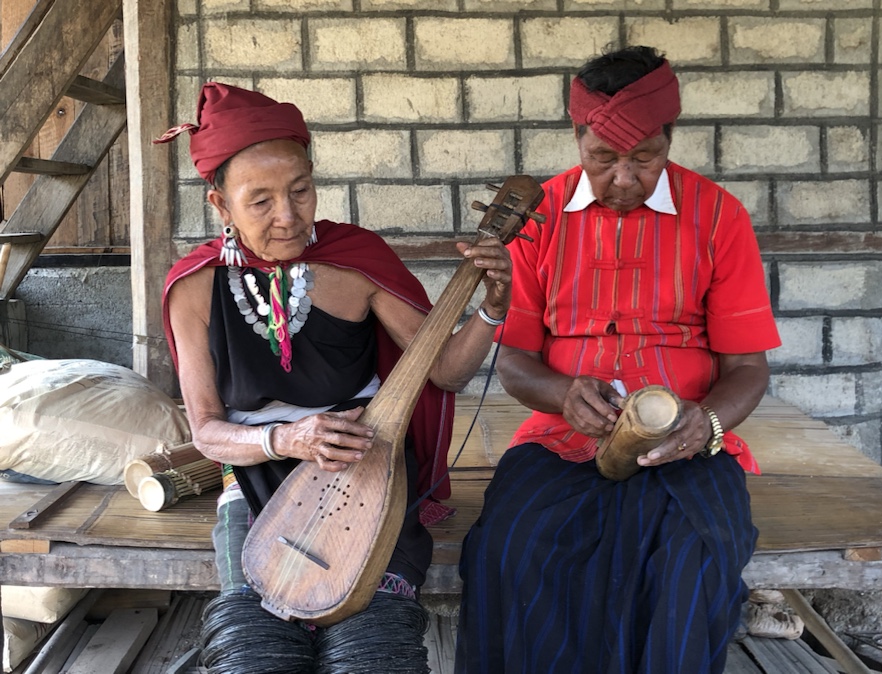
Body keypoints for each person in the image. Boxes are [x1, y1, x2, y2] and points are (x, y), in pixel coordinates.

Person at [157, 82, 512, 674]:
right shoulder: (193, 287)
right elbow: (209, 432)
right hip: (252, 475)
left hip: (365, 467)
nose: (289, 216)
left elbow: (446, 370)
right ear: (220, 205)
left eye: (301, 190)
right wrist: (287, 439)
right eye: (261, 201)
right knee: (252, 647)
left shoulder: (355, 260)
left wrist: (493, 305)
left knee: (372, 647)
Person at [455, 45, 782, 674]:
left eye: (645, 158)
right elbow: (519, 361)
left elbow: (748, 370)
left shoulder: (719, 217)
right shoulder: (539, 218)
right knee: (509, 552)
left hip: (687, 446)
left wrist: (706, 423)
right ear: (577, 139)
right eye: (603, 158)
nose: (624, 178)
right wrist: (561, 394)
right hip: (561, 439)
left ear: (670, 141)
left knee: (695, 560)